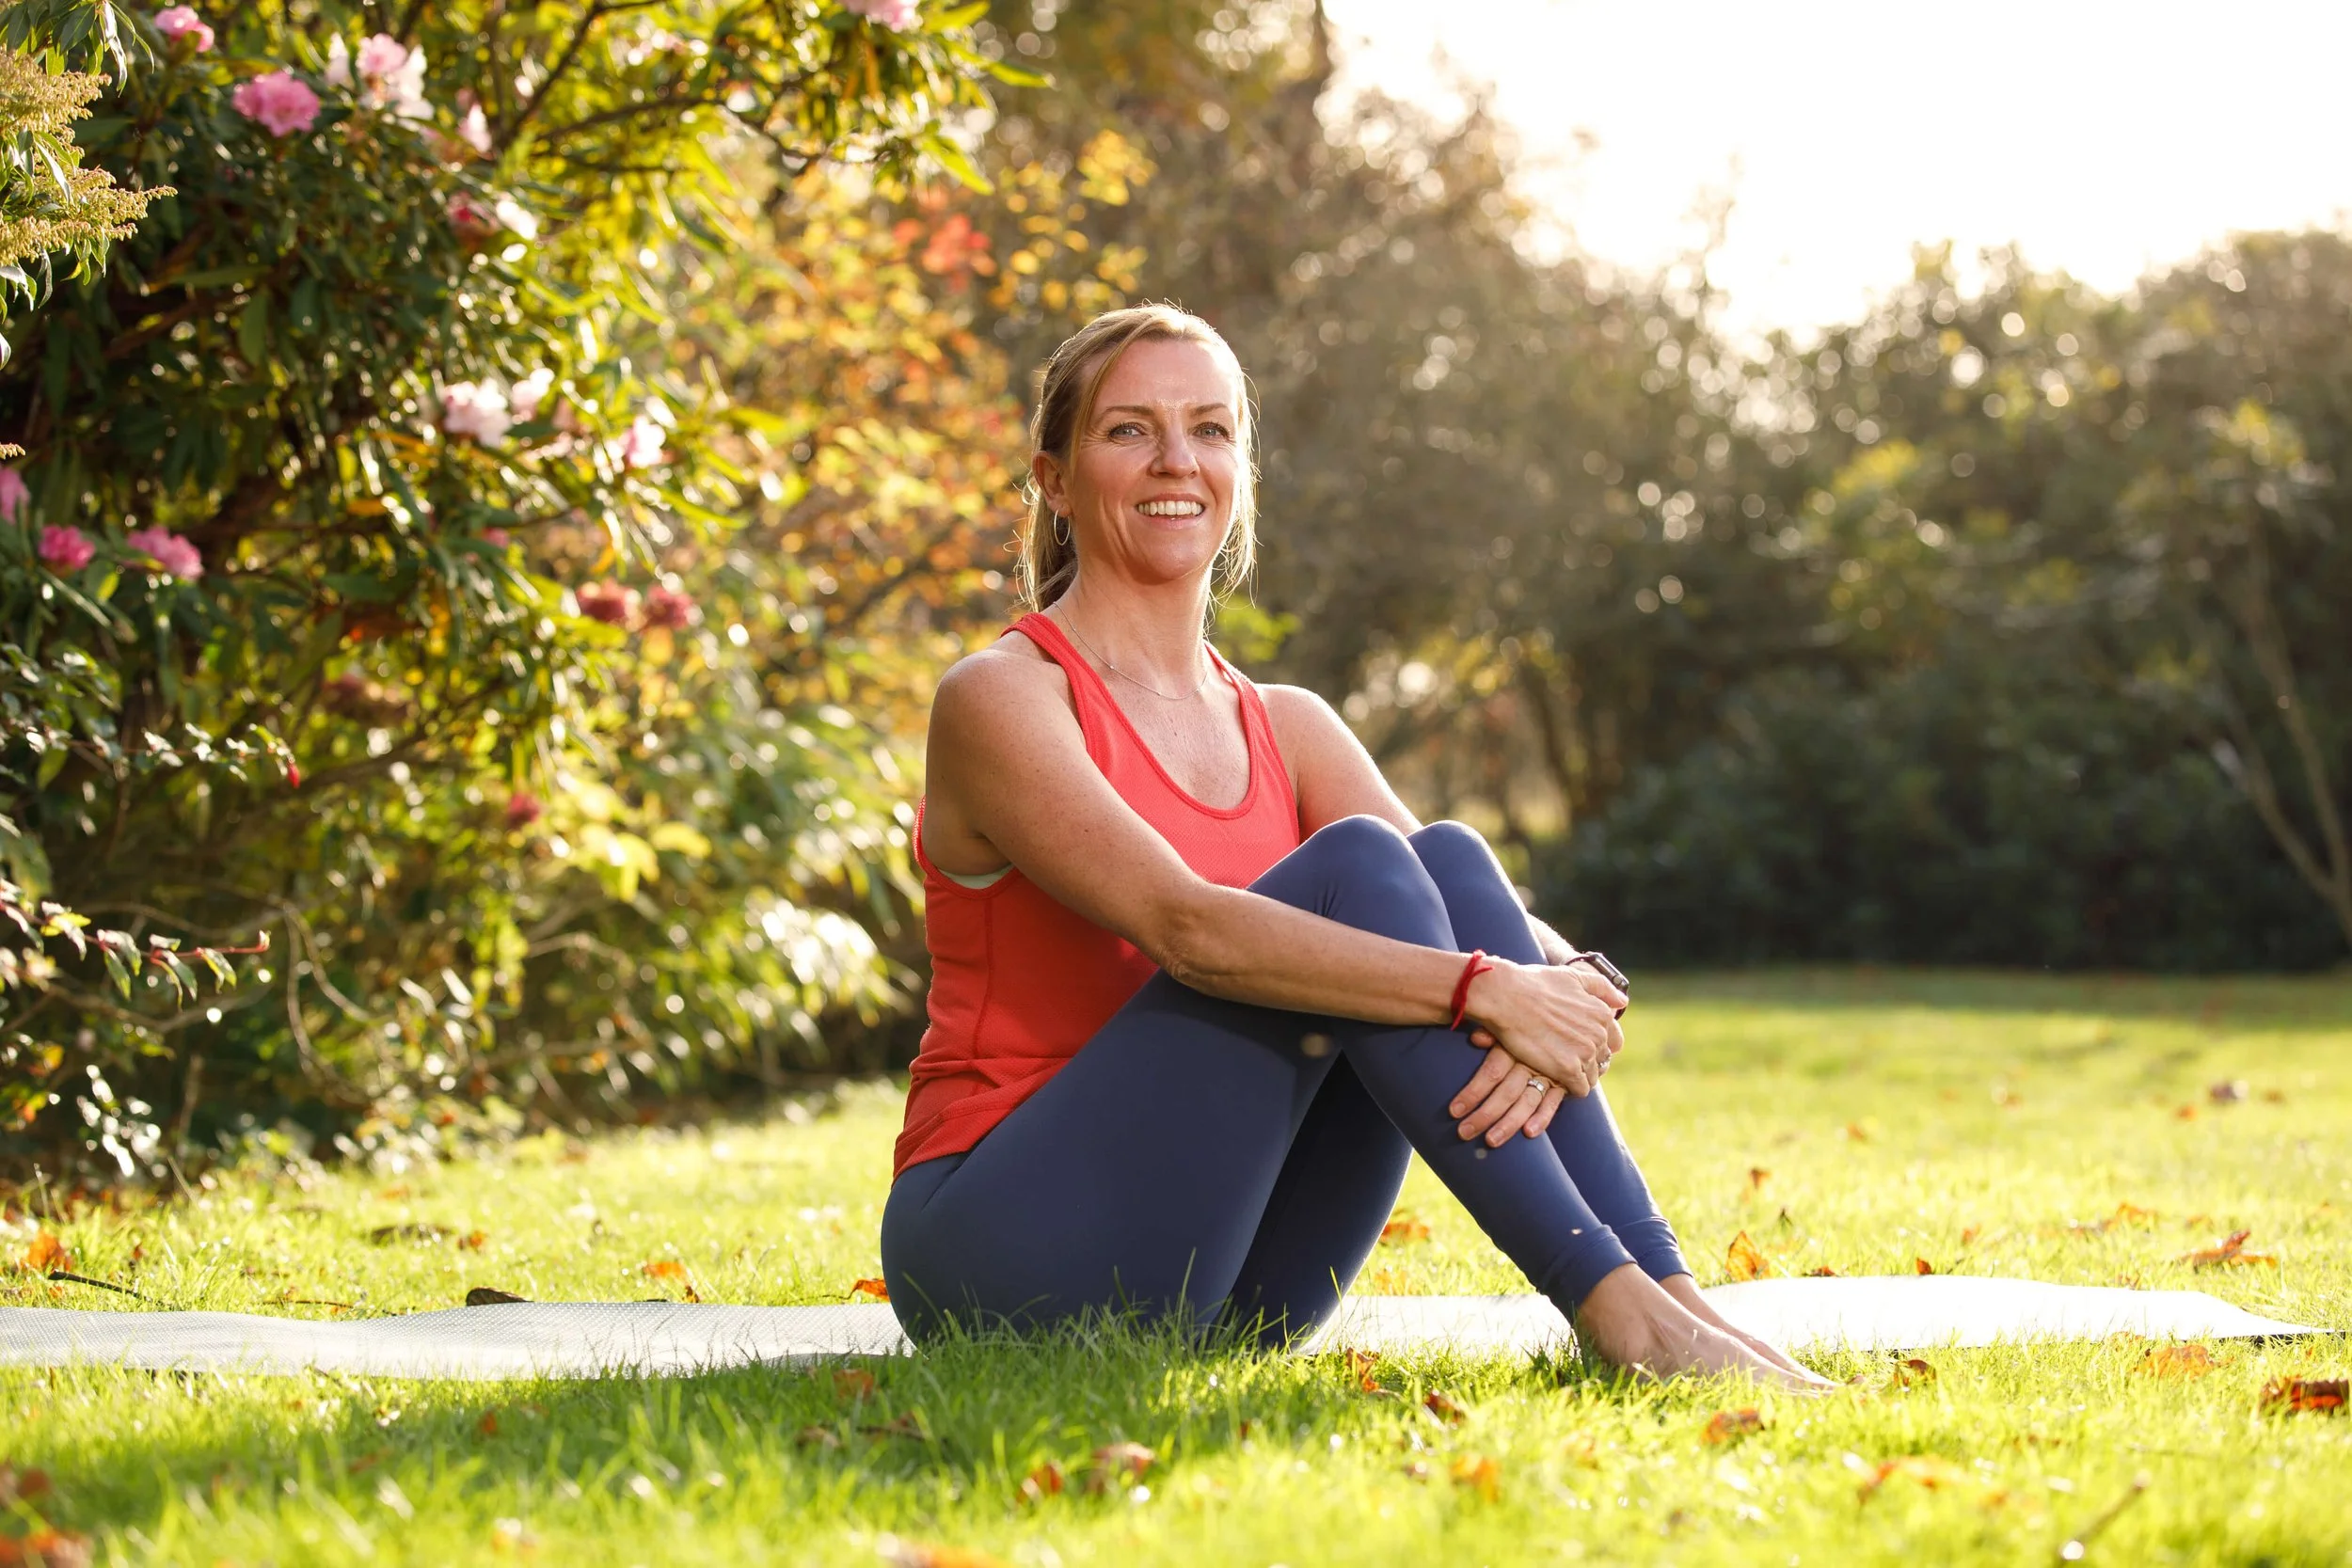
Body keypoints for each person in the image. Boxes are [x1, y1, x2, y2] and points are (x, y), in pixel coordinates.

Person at [880, 304, 1830, 1388]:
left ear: (1242, 463)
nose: (1176, 461)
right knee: (1365, 869)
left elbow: (1468, 906)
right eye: (1128, 430)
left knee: (1452, 860)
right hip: (1004, 1249)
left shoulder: (1286, 723)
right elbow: (1189, 930)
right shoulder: (1003, 697)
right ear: (1054, 477)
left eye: (1210, 429)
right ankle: (1623, 1320)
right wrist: (1485, 989)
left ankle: (1672, 1298)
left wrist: (1566, 984)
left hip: (1242, 1278)